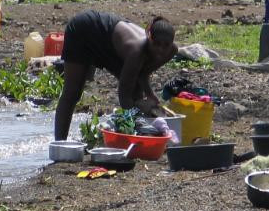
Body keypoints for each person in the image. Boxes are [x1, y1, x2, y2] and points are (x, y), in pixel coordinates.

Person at [54, 10, 177, 140]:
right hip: (85, 29)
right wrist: (138, 113)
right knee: (72, 92)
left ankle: (139, 138)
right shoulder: (136, 52)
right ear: (149, 37)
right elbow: (124, 97)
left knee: (136, 92)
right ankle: (60, 143)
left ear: (172, 43)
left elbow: (143, 72)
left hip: (110, 42)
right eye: (156, 44)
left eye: (166, 45)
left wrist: (149, 94)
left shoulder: (171, 51)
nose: (160, 50)